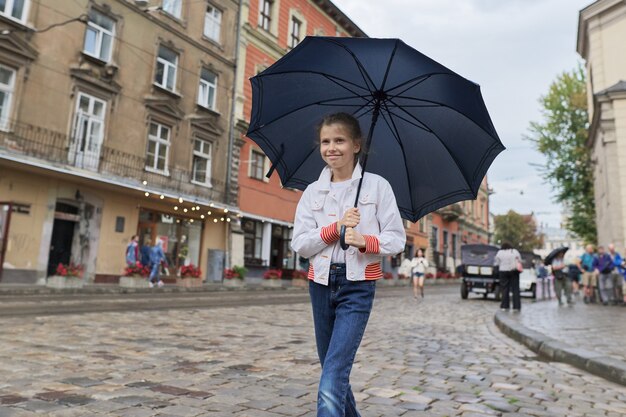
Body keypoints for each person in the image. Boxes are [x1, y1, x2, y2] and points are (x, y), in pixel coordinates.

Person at [291, 112, 405, 417]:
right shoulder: (312, 192)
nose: (331, 148)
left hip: (358, 285)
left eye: (339, 140)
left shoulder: (378, 187)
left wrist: (364, 241)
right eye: (325, 141)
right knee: (332, 368)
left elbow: (396, 239)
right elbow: (300, 244)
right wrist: (336, 228)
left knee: (333, 375)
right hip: (320, 283)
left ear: (356, 145)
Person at [494, 242, 522, 312]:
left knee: (504, 289)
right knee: (515, 289)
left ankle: (505, 306)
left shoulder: (500, 252)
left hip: (503, 271)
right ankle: (516, 306)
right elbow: (519, 260)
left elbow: (497, 262)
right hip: (514, 271)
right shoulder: (515, 251)